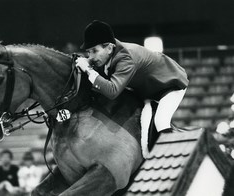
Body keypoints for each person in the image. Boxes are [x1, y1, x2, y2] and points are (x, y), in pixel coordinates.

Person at [75, 20, 189, 156]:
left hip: (170, 85)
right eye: (88, 52)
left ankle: (174, 158)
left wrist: (88, 69)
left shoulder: (126, 58)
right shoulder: (108, 54)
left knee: (161, 122)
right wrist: (88, 65)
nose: (91, 57)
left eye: (94, 51)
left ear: (109, 48)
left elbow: (112, 91)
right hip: (148, 91)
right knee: (143, 131)